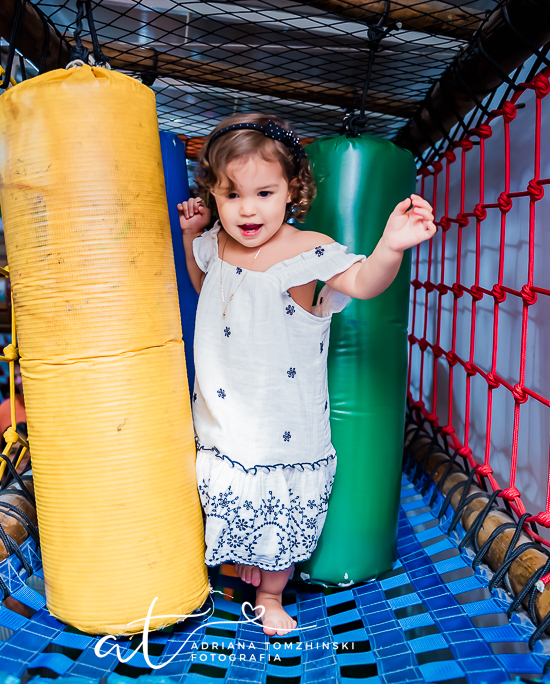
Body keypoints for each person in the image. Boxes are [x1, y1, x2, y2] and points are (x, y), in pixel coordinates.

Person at [177, 113, 436, 636]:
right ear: (215, 196)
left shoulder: (306, 250)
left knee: (279, 513)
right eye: (231, 195)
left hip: (283, 426)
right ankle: (233, 568)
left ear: (292, 191)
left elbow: (362, 282)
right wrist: (190, 235)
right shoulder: (217, 242)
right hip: (223, 416)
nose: (247, 209)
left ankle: (271, 596)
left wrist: (390, 245)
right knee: (223, 497)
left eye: (264, 193)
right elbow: (204, 286)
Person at [0, 364, 27, 452]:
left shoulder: (54, 405)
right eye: (15, 377)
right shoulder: (5, 408)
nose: (18, 381)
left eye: (22, 375)